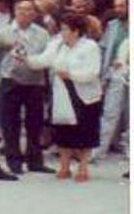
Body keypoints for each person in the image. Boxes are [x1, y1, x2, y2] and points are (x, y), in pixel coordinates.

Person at [23, 14, 102, 182]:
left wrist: (71, 75)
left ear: (76, 31)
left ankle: (83, 168)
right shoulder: (57, 44)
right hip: (62, 94)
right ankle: (64, 166)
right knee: (63, 131)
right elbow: (42, 60)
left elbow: (93, 71)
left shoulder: (90, 46)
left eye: (65, 29)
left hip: (84, 95)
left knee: (85, 132)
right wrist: (25, 58)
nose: (62, 32)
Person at [0, 0, 52, 175]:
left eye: (29, 10)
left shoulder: (43, 34)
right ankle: (14, 161)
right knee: (10, 123)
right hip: (10, 79)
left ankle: (35, 160)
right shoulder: (3, 33)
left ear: (35, 14)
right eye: (21, 9)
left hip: (35, 81)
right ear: (15, 11)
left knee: (35, 123)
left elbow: (48, 55)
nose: (25, 13)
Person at [95, 0, 128, 161]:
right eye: (116, 6)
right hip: (116, 73)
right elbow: (103, 48)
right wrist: (102, 73)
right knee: (110, 111)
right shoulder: (112, 25)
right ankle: (100, 149)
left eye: (122, 6)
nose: (118, 10)